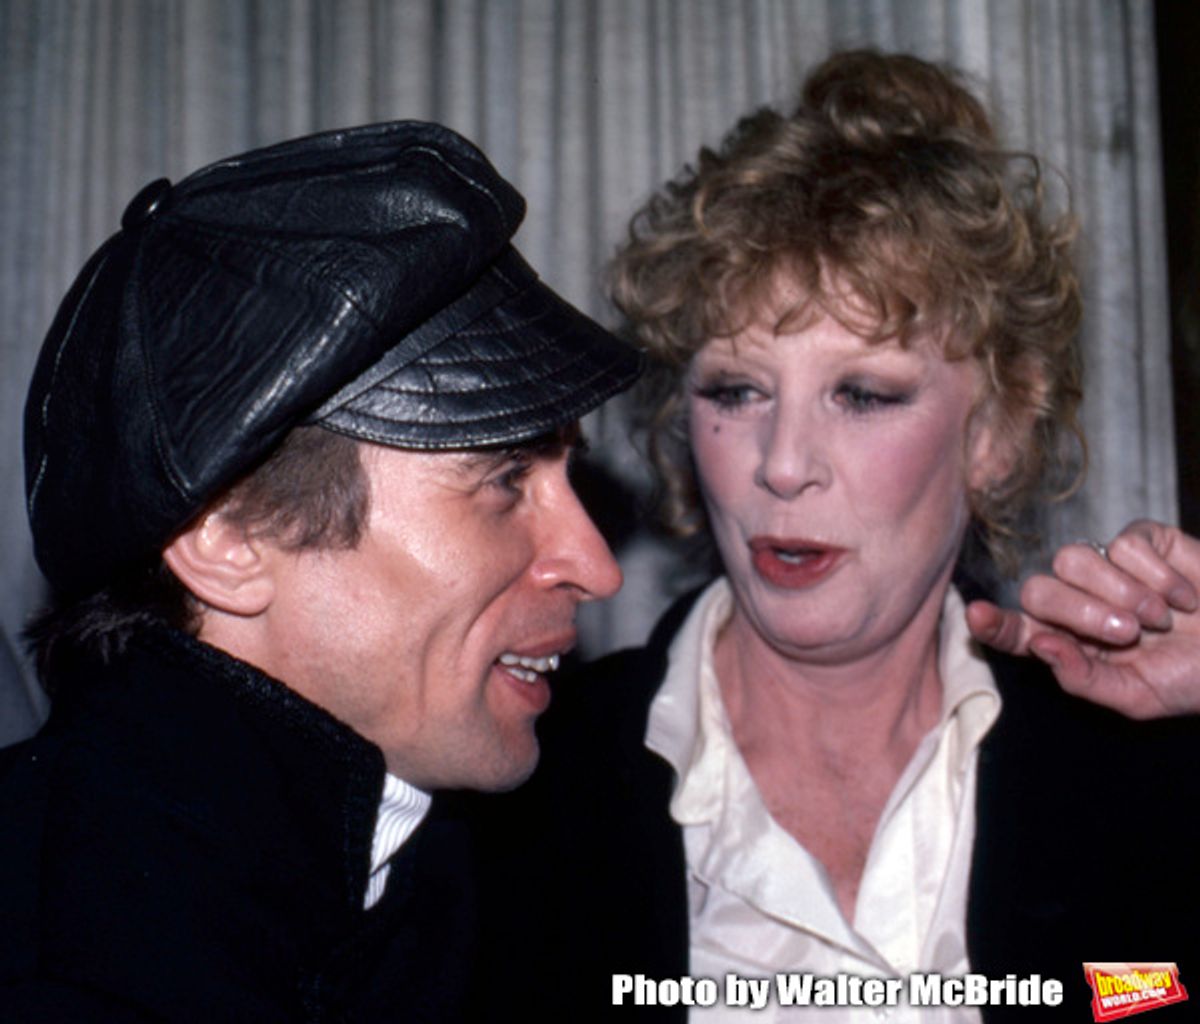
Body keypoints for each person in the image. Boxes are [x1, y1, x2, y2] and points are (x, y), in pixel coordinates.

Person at [466, 52, 1200, 1021]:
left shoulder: (1139, 775)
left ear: (996, 430)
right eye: (736, 390)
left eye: (862, 393)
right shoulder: (514, 782)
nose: (781, 463)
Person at [0, 121, 640, 1020]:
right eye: (503, 480)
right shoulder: (62, 966)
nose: (597, 567)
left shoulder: (470, 886)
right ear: (227, 537)